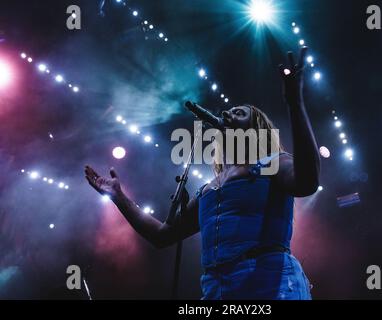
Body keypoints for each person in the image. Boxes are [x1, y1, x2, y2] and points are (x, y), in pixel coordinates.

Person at [85, 48, 320, 299]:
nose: (228, 113)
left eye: (240, 113)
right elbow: (163, 235)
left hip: (271, 285)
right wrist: (119, 197)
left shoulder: (274, 163)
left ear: (255, 129)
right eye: (229, 111)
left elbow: (307, 182)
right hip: (218, 289)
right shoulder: (210, 188)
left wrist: (295, 103)